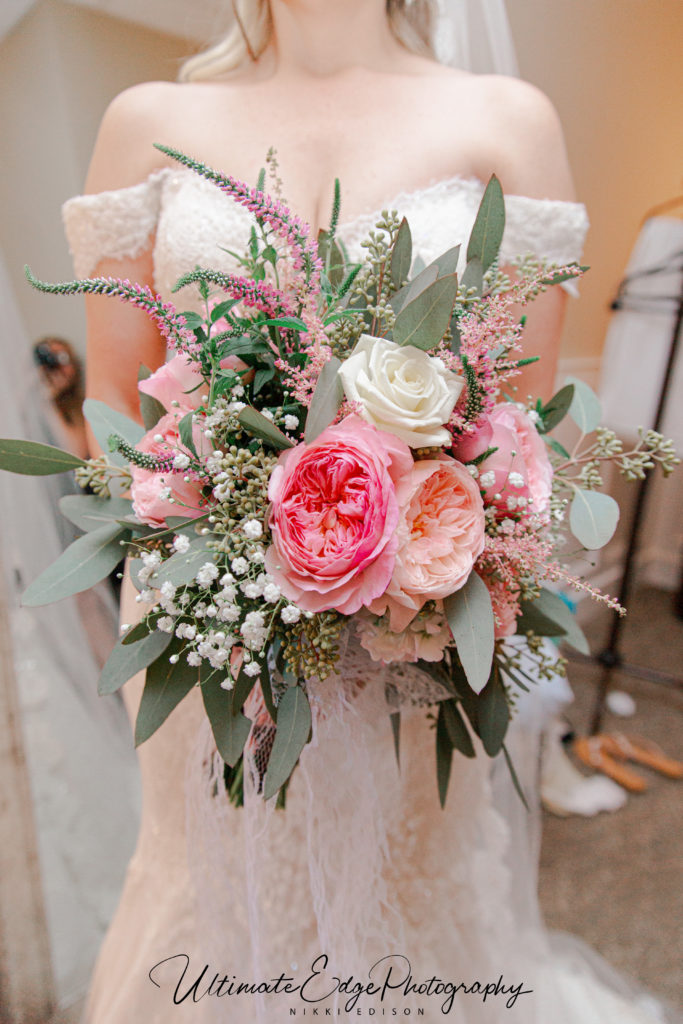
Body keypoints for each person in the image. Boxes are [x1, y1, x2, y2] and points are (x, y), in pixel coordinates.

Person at [60, 2, 677, 1020]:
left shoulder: (505, 122)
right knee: (213, 903)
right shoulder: (144, 120)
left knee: (401, 907)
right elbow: (117, 420)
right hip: (208, 638)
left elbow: (510, 425)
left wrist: (399, 566)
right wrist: (242, 564)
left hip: (415, 632)